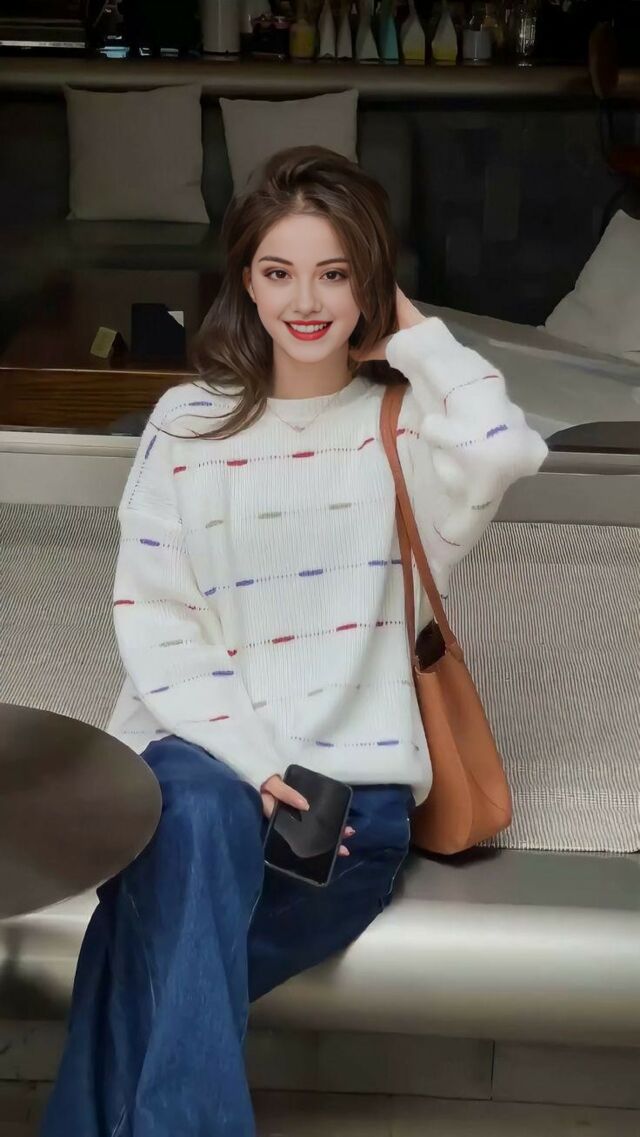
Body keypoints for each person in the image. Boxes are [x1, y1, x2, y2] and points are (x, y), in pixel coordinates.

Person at [41, 145, 548, 1137]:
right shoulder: (186, 423)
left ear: (371, 283)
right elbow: (158, 618)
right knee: (192, 800)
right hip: (208, 772)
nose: (304, 302)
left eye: (335, 273)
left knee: (142, 958)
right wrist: (255, 761)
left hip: (342, 813)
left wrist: (415, 334)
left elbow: (505, 446)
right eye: (278, 272)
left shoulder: (407, 431)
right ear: (246, 280)